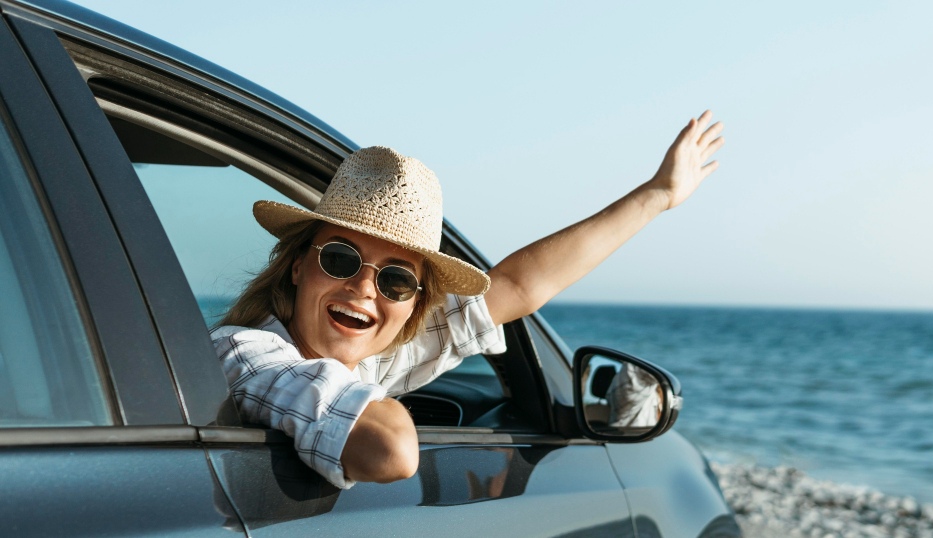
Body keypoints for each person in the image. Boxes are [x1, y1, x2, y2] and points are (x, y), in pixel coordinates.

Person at [211, 110, 724, 489]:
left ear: (413, 306)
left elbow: (517, 287)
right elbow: (392, 450)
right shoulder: (245, 355)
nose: (365, 287)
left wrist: (658, 194)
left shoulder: (369, 359)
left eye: (396, 282)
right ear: (298, 265)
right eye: (342, 259)